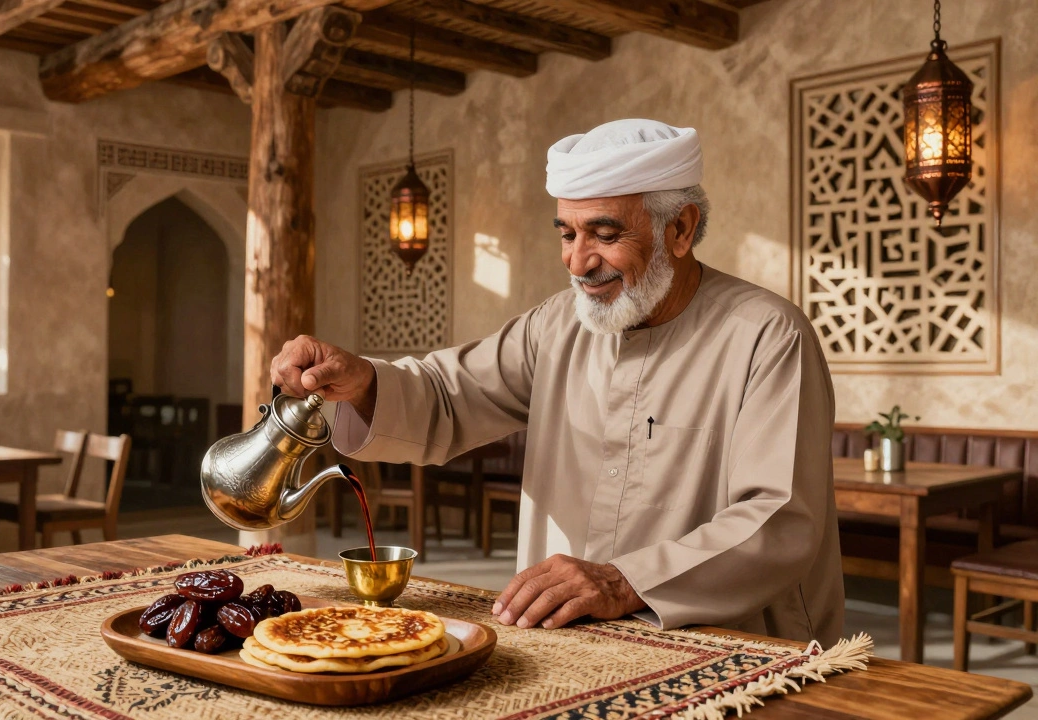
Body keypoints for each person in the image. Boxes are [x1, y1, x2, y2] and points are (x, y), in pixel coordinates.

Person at [270, 119, 844, 644]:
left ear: (681, 230)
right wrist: (362, 380)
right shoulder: (556, 325)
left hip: (732, 649)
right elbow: (448, 395)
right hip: (571, 639)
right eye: (567, 234)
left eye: (604, 233)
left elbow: (777, 517)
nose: (577, 262)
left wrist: (624, 583)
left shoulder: (768, 335)